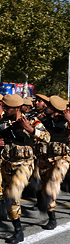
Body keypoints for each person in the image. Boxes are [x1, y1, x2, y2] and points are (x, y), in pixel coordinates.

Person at [0, 94, 49, 243]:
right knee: (11, 198)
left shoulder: (32, 121)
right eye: (4, 107)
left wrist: (30, 129)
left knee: (13, 191)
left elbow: (47, 137)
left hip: (25, 164)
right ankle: (18, 230)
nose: (4, 110)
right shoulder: (1, 123)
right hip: (6, 164)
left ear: (16, 108)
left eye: (8, 108)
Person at [37, 95, 70, 230]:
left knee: (52, 183)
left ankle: (52, 219)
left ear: (55, 109)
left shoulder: (66, 122)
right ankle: (51, 217)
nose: (46, 108)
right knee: (45, 187)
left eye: (49, 106)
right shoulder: (45, 120)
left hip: (63, 158)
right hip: (46, 157)